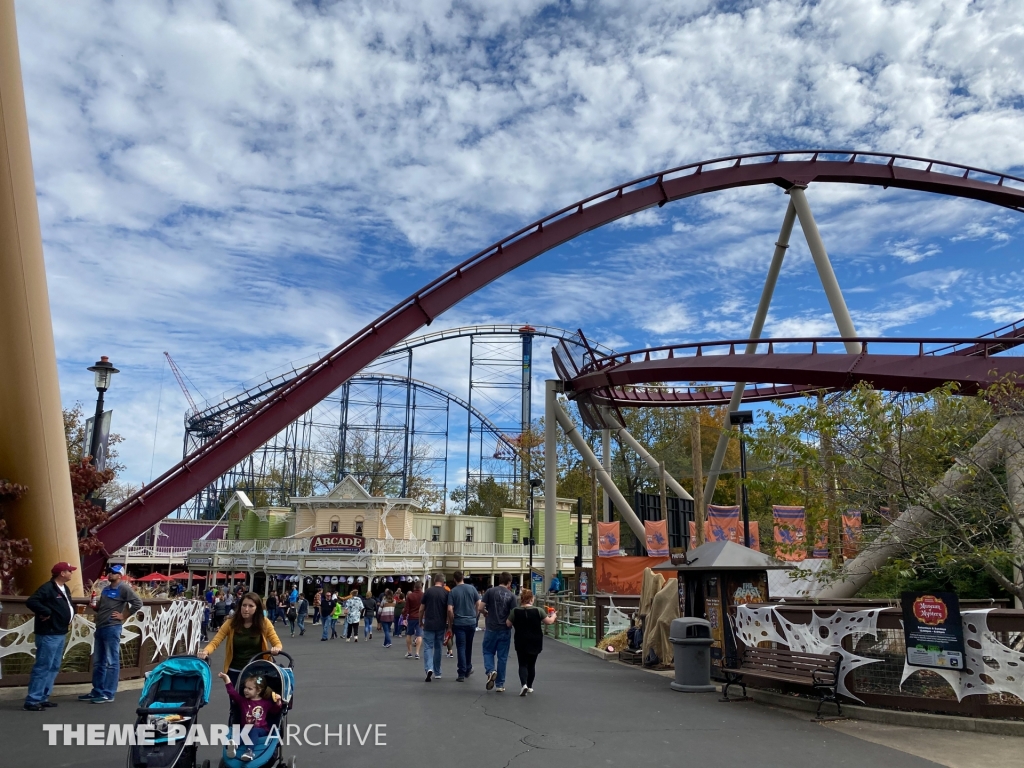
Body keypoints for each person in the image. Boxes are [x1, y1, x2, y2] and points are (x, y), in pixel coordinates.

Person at [79, 564, 142, 704]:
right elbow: (101, 608)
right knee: (98, 662)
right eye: (109, 572)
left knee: (112, 661)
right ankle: (97, 691)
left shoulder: (124, 588)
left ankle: (108, 693)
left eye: (113, 572)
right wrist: (94, 607)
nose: (110, 574)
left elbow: (138, 603)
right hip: (100, 626)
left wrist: (124, 615)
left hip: (112, 627)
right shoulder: (106, 589)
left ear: (120, 575)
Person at [23, 562, 77, 711]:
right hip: (49, 633)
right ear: (62, 573)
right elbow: (32, 601)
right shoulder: (48, 588)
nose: (71, 573)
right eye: (69, 571)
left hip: (60, 631)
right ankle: (33, 700)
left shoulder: (64, 588)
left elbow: (65, 605)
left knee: (53, 666)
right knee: (43, 666)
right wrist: (45, 611)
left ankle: (43, 696)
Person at [199, 592, 282, 686]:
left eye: (251, 606)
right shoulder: (231, 623)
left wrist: (276, 648)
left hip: (257, 671)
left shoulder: (264, 623)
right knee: (235, 700)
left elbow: (277, 643)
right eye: (244, 605)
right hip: (235, 671)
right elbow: (215, 641)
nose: (246, 609)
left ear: (257, 608)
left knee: (255, 700)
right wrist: (205, 651)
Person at [219, 671, 283, 763]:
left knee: (253, 730)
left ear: (258, 690)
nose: (245, 690)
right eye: (245, 687)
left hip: (261, 730)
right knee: (242, 731)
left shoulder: (266, 703)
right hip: (246, 728)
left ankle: (249, 752)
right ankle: (234, 746)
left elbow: (274, 711)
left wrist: (278, 702)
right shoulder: (243, 701)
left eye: (249, 688)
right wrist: (226, 680)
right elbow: (232, 693)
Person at [507, 588, 555, 696]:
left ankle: (523, 684)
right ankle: (529, 686)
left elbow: (508, 624)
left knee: (522, 664)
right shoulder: (538, 610)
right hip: (535, 640)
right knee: (532, 664)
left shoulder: (515, 611)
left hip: (520, 640)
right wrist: (554, 615)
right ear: (531, 599)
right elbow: (549, 621)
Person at [480, 572, 516, 693]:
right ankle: (500, 685)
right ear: (509, 582)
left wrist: (485, 613)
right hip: (505, 629)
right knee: (502, 657)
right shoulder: (511, 596)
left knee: (487, 651)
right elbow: (514, 612)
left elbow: (480, 607)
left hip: (491, 627)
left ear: (499, 580)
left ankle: (491, 671)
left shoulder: (490, 592)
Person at [449, 571, 480, 682]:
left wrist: (451, 621)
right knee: (469, 646)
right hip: (471, 621)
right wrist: (475, 616)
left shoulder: (453, 592)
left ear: (454, 579)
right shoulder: (472, 589)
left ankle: (461, 672)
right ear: (463, 578)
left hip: (459, 622)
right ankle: (468, 667)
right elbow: (478, 604)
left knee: (461, 646)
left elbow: (449, 609)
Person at [419, 574, 450, 682]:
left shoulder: (428, 591)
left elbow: (421, 608)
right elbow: (448, 609)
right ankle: (437, 671)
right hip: (440, 624)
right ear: (443, 582)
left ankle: (429, 668)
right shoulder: (446, 593)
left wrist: (420, 621)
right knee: (438, 647)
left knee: (428, 646)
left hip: (429, 623)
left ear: (434, 581)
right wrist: (449, 625)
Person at [403, 581, 423, 659]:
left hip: (411, 617)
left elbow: (406, 608)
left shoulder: (410, 596)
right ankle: (417, 653)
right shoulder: (423, 595)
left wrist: (404, 617)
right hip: (420, 617)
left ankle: (409, 652)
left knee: (409, 634)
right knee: (419, 635)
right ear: (421, 587)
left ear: (414, 587)